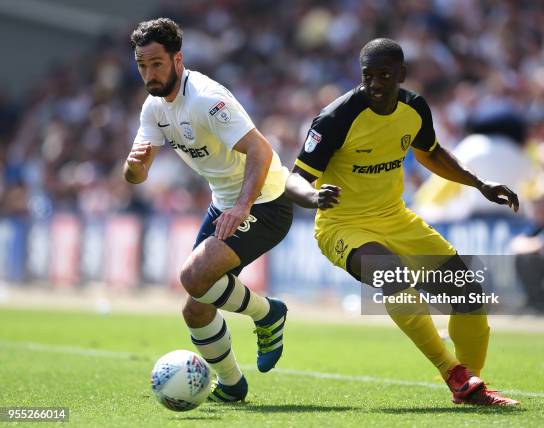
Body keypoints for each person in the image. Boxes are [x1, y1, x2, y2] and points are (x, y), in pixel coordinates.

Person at [285, 38, 520, 406]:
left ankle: (471, 386)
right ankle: (452, 371)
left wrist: (479, 183)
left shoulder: (414, 108)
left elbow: (432, 153)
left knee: (470, 296)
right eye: (368, 76)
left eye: (384, 75)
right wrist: (314, 196)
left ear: (402, 75)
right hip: (342, 227)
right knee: (390, 274)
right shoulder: (336, 117)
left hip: (396, 218)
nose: (375, 84)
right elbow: (294, 178)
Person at [124, 18, 293, 402]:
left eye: (156, 64)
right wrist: (134, 168)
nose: (149, 74)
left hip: (265, 202)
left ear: (177, 59)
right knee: (195, 311)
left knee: (193, 275)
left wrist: (242, 206)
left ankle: (268, 313)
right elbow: (136, 174)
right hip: (225, 204)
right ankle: (233, 386)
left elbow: (261, 151)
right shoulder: (154, 109)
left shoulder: (205, 98)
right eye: (142, 66)